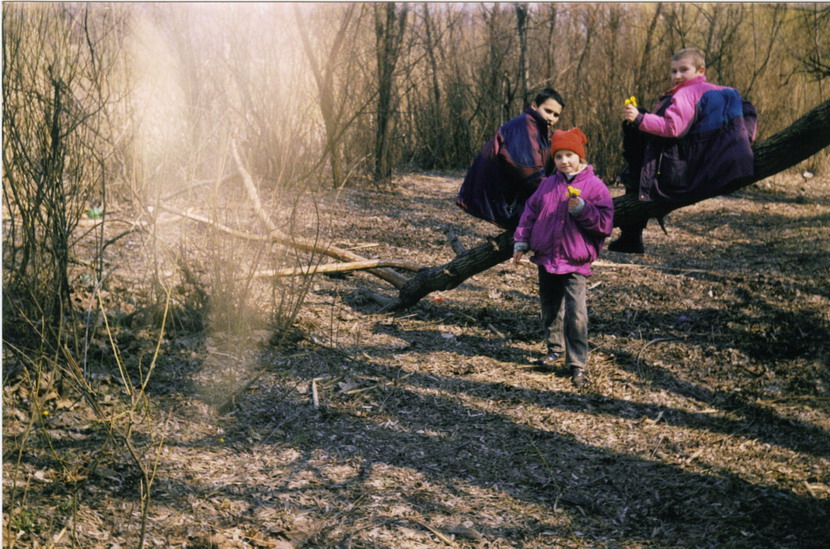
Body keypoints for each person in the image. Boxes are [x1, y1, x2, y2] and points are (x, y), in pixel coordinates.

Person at [609, 47, 758, 253]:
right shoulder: (725, 91)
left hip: (679, 170)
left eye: (683, 70)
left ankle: (631, 236)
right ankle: (631, 236)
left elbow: (673, 128)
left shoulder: (687, 93)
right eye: (673, 71)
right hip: (711, 162)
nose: (677, 76)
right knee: (637, 152)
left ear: (700, 70)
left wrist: (639, 119)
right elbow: (748, 115)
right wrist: (743, 143)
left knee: (635, 150)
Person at [512, 128, 614, 387]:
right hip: (547, 257)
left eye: (570, 155)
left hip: (575, 262)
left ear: (580, 157)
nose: (565, 161)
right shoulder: (548, 184)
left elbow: (604, 225)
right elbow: (529, 213)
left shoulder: (595, 187)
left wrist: (583, 209)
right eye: (559, 156)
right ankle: (554, 349)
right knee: (550, 308)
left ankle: (577, 363)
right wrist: (521, 242)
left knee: (576, 314)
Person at [457, 88, 566, 230]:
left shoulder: (541, 131)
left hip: (508, 196)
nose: (551, 118)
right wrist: (555, 194)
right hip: (498, 197)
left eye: (556, 115)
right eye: (548, 111)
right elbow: (528, 169)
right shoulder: (523, 127)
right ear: (534, 106)